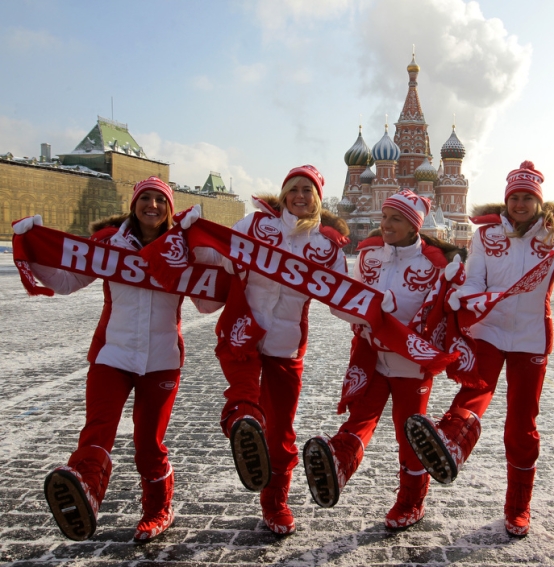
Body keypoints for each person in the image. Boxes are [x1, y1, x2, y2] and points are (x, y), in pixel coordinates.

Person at [404, 161, 554, 536]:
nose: (520, 204)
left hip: (531, 337)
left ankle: (518, 507)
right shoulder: (486, 235)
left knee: (522, 424)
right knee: (474, 392)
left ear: (538, 202)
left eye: (528, 198)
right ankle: (449, 445)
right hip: (490, 331)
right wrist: (462, 295)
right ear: (506, 199)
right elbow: (475, 280)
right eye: (515, 197)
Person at [15, 177, 221, 542]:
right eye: (145, 198)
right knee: (98, 428)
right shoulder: (110, 242)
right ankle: (87, 492)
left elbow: (207, 303)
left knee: (148, 444)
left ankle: (158, 510)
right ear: (133, 203)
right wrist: (32, 248)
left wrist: (211, 256)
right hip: (112, 354)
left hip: (162, 359)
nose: (152, 205)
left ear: (170, 208)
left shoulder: (182, 248)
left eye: (160, 200)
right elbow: (67, 281)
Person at [302, 189, 463, 529]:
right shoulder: (369, 255)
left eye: (396, 219)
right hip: (371, 357)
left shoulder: (435, 264)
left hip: (411, 364)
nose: (386, 224)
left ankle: (411, 503)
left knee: (411, 435)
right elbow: (343, 303)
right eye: (385, 217)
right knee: (360, 417)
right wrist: (370, 312)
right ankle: (338, 465)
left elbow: (437, 316)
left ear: (414, 225)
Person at [215, 165, 348, 535]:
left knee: (281, 429)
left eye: (308, 190)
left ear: (317, 198)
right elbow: (225, 258)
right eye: (294, 189)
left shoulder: (326, 245)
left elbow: (341, 297)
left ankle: (275, 503)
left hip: (287, 344)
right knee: (244, 397)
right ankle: (243, 427)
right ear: (284, 193)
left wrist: (376, 308)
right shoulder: (256, 224)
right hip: (244, 331)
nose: (300, 196)